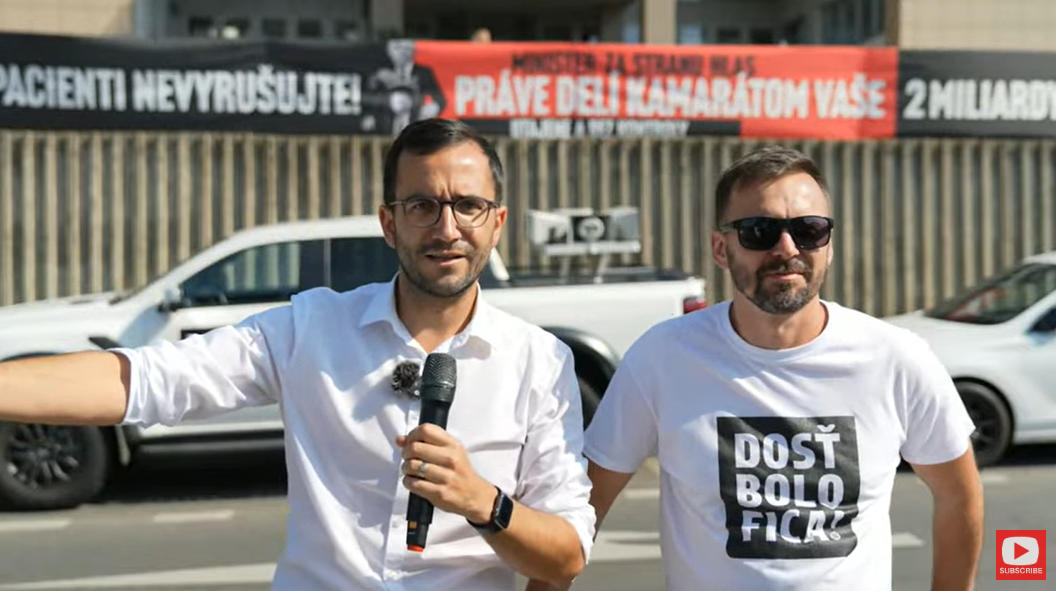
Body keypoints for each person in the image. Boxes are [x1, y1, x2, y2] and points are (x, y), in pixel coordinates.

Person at [0, 118, 596, 591]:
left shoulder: (539, 361)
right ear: (389, 223)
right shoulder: (311, 329)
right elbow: (150, 379)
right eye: (421, 206)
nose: (446, 227)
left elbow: (566, 554)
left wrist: (482, 501)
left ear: (497, 223)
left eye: (467, 205)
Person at [527, 145, 984, 591]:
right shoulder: (662, 358)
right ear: (720, 248)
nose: (787, 248)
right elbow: (582, 512)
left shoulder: (896, 359)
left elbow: (959, 497)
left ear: (828, 245)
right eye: (759, 231)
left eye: (809, 230)